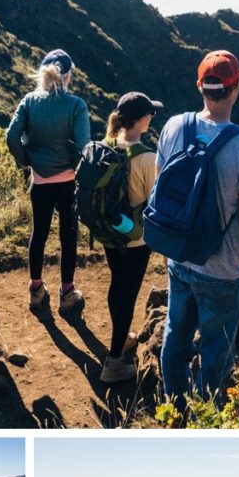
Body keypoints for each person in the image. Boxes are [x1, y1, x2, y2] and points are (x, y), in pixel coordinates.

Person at [154, 51, 239, 411]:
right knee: (215, 353)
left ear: (200, 86)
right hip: (222, 271)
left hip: (179, 256)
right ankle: (205, 416)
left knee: (175, 339)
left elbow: (162, 189)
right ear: (236, 90)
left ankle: (174, 408)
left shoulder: (174, 126)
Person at [6, 49, 91, 316]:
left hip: (39, 180)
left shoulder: (30, 101)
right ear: (67, 76)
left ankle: (36, 289)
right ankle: (67, 293)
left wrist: (26, 160)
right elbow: (83, 147)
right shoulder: (76, 105)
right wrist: (75, 168)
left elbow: (11, 137)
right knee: (68, 235)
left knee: (39, 233)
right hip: (67, 181)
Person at [98, 92, 162, 384]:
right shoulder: (148, 158)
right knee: (128, 295)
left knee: (116, 284)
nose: (152, 117)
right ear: (140, 119)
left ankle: (120, 340)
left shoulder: (105, 147)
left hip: (110, 233)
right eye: (150, 113)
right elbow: (155, 200)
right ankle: (114, 363)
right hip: (136, 239)